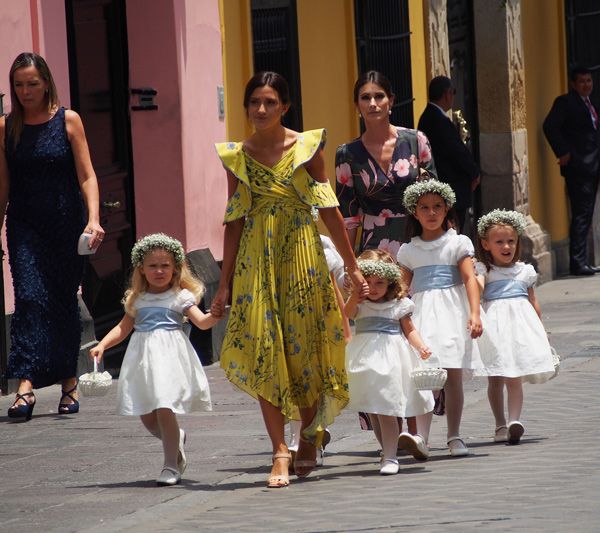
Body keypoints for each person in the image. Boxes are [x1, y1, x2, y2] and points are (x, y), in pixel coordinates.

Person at [210, 72, 368, 488]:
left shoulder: (306, 147)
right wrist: (224, 284)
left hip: (301, 254)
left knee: (304, 350)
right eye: (254, 103)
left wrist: (351, 266)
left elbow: (330, 208)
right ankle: (280, 448)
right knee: (264, 347)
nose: (260, 110)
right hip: (255, 261)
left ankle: (309, 435)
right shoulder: (237, 156)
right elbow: (235, 217)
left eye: (269, 102)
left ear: (284, 106)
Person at [0, 52, 104, 420]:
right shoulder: (6, 127)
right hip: (25, 226)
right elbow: (3, 186)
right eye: (18, 85)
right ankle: (26, 386)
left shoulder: (68, 121)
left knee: (61, 300)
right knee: (29, 298)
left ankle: (68, 381)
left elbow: (87, 175)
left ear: (46, 82)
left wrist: (93, 219)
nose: (25, 91)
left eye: (32, 83)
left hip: (65, 224)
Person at [335, 70, 436, 437]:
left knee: (413, 327)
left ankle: (417, 425)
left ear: (391, 100)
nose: (373, 103)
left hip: (415, 245)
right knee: (380, 337)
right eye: (366, 97)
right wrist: (351, 266)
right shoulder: (347, 154)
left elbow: (434, 199)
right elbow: (346, 218)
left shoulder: (416, 140)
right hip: (374, 253)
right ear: (357, 105)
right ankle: (389, 425)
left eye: (380, 96)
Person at [90, 233, 216, 486]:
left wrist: (216, 314)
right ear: (142, 269)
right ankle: (176, 437)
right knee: (146, 414)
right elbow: (123, 328)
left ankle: (170, 465)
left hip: (169, 358)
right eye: (153, 266)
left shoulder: (180, 297)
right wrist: (102, 344)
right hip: (143, 358)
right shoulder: (138, 299)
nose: (159, 271)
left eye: (165, 266)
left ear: (176, 268)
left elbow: (201, 323)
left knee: (163, 406)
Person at [396, 179, 501, 457]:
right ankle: (423, 438)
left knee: (452, 375)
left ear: (447, 210)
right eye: (424, 208)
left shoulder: (457, 243)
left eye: (437, 207)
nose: (431, 213)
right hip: (423, 315)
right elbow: (403, 288)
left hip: (453, 313)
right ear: (414, 212)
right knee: (425, 375)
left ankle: (454, 435)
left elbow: (469, 279)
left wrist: (475, 313)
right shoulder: (409, 250)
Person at [344, 249, 434, 475]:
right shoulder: (360, 304)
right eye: (368, 282)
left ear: (391, 282)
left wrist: (420, 346)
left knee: (386, 407)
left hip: (391, 358)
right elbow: (347, 313)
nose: (373, 288)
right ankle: (386, 449)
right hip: (365, 360)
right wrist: (356, 293)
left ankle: (391, 456)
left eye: (379, 282)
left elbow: (410, 330)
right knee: (374, 409)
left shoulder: (398, 305)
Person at [475, 210, 556, 445]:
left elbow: (533, 302)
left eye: (511, 241)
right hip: (495, 328)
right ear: (486, 244)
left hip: (520, 328)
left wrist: (540, 330)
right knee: (496, 379)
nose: (506, 246)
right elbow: (477, 291)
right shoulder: (485, 270)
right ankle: (500, 423)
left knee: (514, 375)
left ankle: (514, 421)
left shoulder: (525, 271)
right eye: (499, 241)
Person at [287, 235, 350, 468]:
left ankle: (313, 435)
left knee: (315, 379)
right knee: (293, 377)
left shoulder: (322, 245)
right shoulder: (272, 238)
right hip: (290, 317)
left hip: (321, 321)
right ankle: (297, 437)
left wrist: (343, 326)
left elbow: (335, 286)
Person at [543, 65, 600, 276]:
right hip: (579, 167)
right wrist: (563, 152)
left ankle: (582, 259)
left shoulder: (589, 104)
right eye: (582, 81)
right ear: (573, 84)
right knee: (581, 215)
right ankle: (577, 262)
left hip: (592, 166)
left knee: (586, 213)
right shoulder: (566, 103)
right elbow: (549, 126)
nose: (587, 85)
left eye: (589, 81)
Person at [417, 75, 480, 233]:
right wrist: (474, 173)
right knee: (454, 231)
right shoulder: (438, 119)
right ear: (447, 94)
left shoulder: (429, 117)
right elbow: (456, 151)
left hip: (446, 186)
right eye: (453, 93)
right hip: (451, 187)